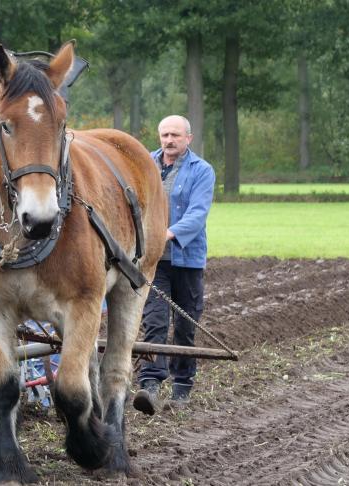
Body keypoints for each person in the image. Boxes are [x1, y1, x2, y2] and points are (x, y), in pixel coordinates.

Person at [133, 115, 215, 415]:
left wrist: (167, 233)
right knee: (154, 322)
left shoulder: (202, 171)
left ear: (188, 138)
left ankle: (182, 387)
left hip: (186, 259)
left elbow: (197, 213)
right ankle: (150, 384)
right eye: (165, 134)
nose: (169, 140)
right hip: (153, 261)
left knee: (185, 325)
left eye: (175, 135)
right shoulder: (145, 163)